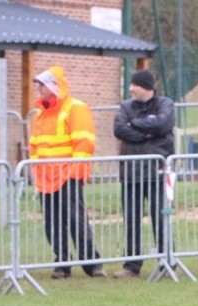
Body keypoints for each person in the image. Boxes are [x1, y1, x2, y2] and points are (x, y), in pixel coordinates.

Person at [29, 66, 105, 279]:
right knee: (51, 221)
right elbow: (35, 146)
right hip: (46, 176)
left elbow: (84, 142)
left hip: (68, 175)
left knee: (75, 219)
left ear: (53, 86)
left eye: (41, 85)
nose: (38, 88)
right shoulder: (39, 114)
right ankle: (61, 263)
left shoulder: (75, 108)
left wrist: (75, 173)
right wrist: (37, 173)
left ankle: (92, 263)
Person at [112, 69, 175, 279]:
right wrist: (148, 132)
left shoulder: (165, 104)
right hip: (131, 172)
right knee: (131, 219)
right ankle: (131, 265)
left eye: (134, 85)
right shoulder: (125, 106)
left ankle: (166, 261)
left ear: (146, 86)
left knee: (161, 217)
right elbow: (120, 129)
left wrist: (135, 126)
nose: (131, 89)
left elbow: (163, 123)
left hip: (157, 172)